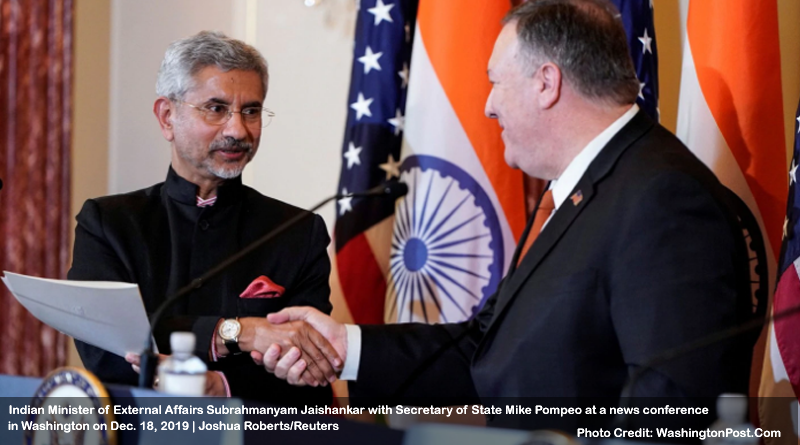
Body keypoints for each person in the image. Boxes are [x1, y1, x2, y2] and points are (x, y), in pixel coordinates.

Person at [253, 0, 758, 431]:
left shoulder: (663, 197)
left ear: (546, 83)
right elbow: (483, 346)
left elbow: (672, 407)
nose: (489, 106)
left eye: (496, 82)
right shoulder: (581, 189)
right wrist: (345, 345)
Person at [68, 31, 341, 404]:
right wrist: (241, 333)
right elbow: (108, 349)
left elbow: (309, 370)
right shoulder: (109, 223)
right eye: (216, 109)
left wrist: (222, 386)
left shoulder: (298, 232)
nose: (238, 130)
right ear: (167, 116)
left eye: (251, 110)